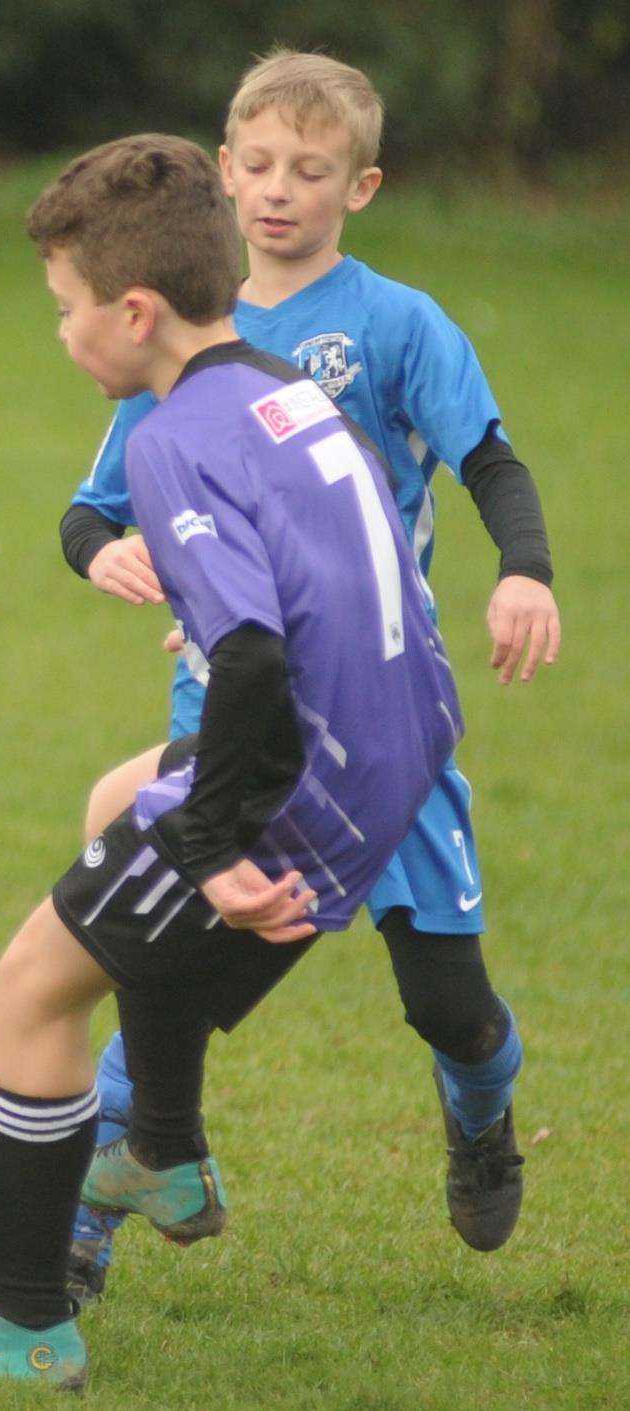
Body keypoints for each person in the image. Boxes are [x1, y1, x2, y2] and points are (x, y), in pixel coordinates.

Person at [0, 133, 462, 1388]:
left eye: (65, 310)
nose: (62, 333)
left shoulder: (170, 438)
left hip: (301, 774)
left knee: (32, 985)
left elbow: (241, 656)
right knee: (116, 800)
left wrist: (219, 844)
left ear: (133, 312)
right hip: (388, 750)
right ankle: (162, 1144)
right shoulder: (283, 389)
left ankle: (25, 1323)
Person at [59, 51, 550, 1301]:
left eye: (310, 170)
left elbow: (485, 457)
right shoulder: (181, 329)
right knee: (152, 953)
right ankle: (87, 1222)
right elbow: (91, 505)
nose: (278, 191)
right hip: (231, 718)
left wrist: (522, 570)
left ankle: (479, 1099)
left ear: (361, 186)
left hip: (378, 721)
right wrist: (107, 548)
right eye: (258, 165)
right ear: (222, 174)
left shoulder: (393, 326)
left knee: (447, 1003)